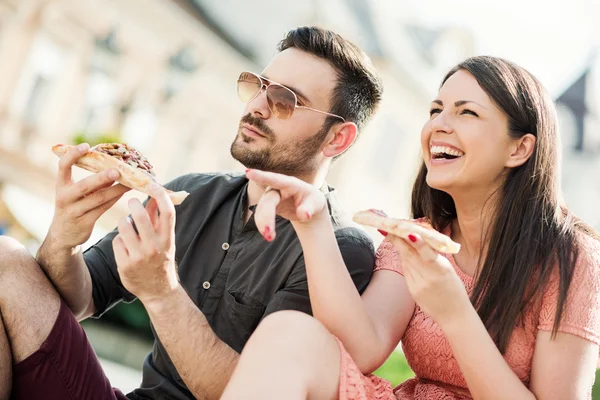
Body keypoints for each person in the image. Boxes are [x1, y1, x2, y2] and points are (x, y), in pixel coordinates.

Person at [0, 26, 383, 400]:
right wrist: (64, 238)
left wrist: (163, 293)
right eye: (259, 86)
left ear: (337, 138)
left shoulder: (339, 252)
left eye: (285, 100)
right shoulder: (194, 194)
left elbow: (253, 392)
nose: (256, 106)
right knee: (7, 259)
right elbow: (79, 299)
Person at [220, 56, 600, 400]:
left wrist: (454, 312)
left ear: (519, 149)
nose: (438, 125)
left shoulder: (572, 259)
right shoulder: (419, 238)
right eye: (436, 110)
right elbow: (361, 347)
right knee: (289, 332)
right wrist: (312, 222)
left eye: (466, 113)